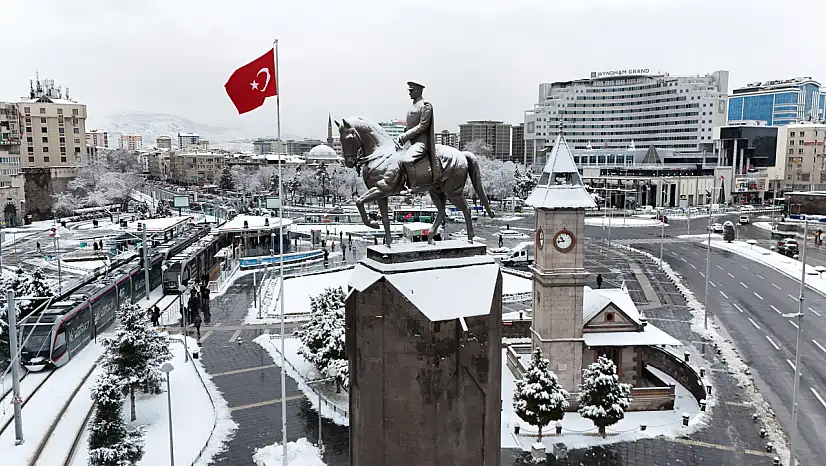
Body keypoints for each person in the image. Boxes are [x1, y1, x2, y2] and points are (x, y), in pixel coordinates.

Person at [397, 81, 440, 192]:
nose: (409, 93)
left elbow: (423, 126)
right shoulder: (413, 106)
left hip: (421, 143)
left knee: (407, 160)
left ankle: (414, 186)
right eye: (409, 91)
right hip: (410, 143)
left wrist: (406, 136)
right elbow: (409, 126)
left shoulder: (425, 106)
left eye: (412, 90)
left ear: (419, 91)